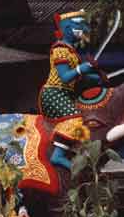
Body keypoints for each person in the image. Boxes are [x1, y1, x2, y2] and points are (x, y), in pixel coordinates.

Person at [38, 10, 101, 169]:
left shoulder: (71, 51)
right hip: (53, 93)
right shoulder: (60, 49)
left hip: (66, 93)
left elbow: (77, 79)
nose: (83, 28)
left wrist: (95, 78)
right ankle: (58, 156)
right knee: (74, 118)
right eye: (79, 24)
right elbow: (66, 77)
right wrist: (81, 69)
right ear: (66, 28)